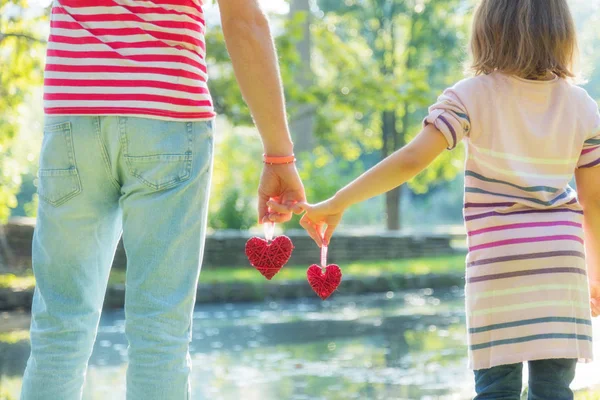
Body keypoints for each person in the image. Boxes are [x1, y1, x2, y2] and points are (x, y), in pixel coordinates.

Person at [281, 0, 600, 398]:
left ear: (488, 29)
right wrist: (596, 274)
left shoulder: (471, 96)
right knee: (554, 390)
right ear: (561, 32)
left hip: (499, 267)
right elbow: (594, 202)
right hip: (560, 265)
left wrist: (338, 201)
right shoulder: (584, 107)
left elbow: (412, 159)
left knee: (496, 390)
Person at [20, 1, 304, 399]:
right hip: (167, 114)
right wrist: (279, 155)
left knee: (58, 330)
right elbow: (244, 21)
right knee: (160, 333)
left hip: (74, 112)